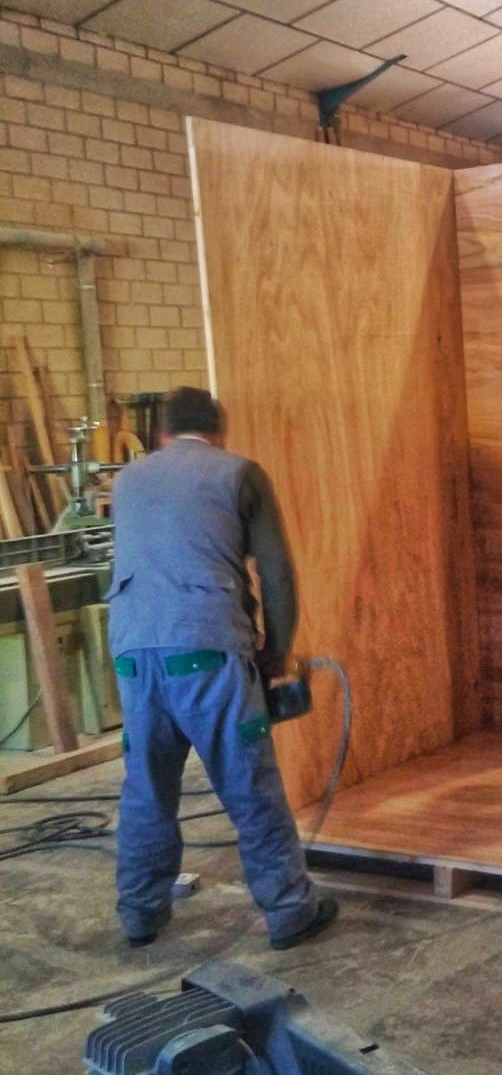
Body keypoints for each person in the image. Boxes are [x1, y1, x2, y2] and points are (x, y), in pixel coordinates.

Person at [106, 386, 337, 949]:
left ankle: (140, 913)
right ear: (219, 432)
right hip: (207, 651)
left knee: (147, 788)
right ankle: (288, 909)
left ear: (161, 434)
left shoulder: (128, 479)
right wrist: (274, 656)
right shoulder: (239, 473)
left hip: (133, 654)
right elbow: (276, 575)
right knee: (249, 784)